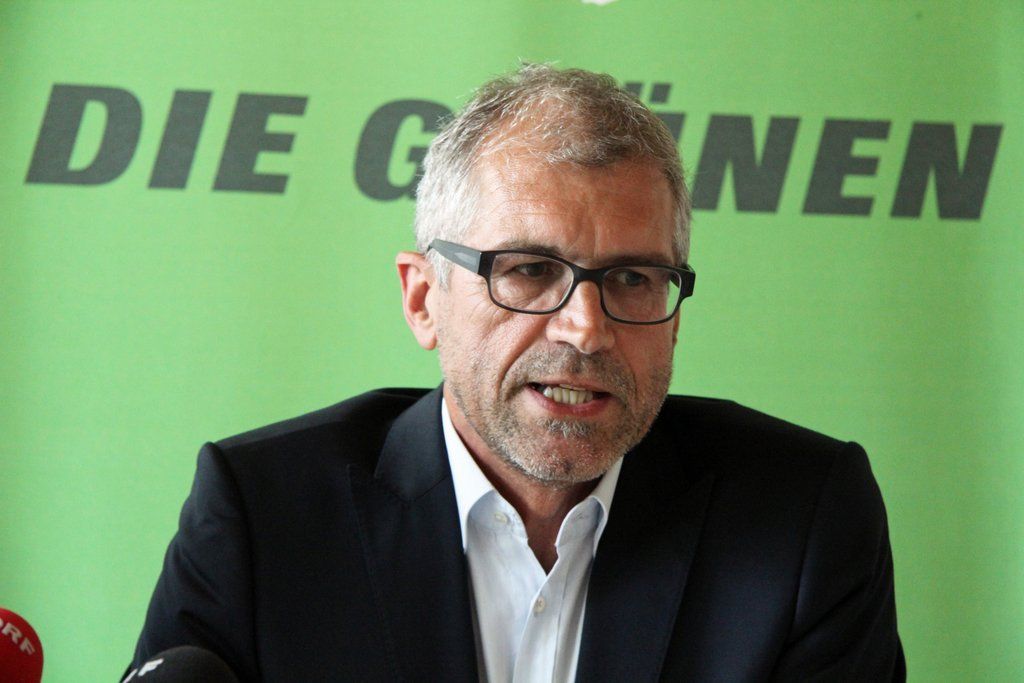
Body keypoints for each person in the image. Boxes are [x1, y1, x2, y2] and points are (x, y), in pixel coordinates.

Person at [127, 64, 905, 682]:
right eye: (530, 270)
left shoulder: (801, 522)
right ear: (423, 299)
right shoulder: (264, 518)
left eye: (634, 278)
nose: (586, 327)